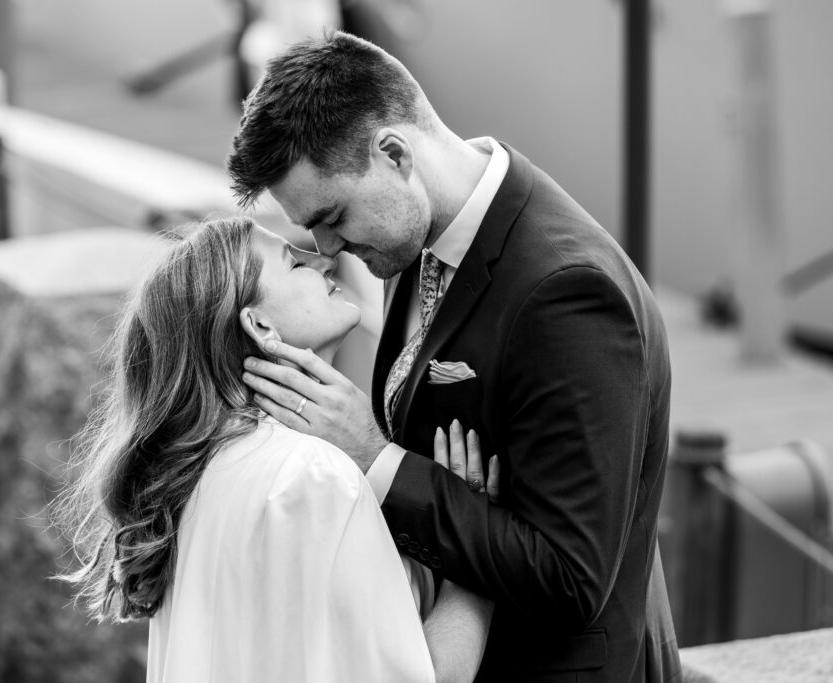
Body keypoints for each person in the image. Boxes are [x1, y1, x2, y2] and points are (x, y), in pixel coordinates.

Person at [230, 30, 682, 682]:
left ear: (393, 153)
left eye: (331, 216)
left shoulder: (568, 293)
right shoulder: (409, 239)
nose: (325, 248)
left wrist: (375, 458)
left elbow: (572, 579)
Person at [54, 217, 496, 683]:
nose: (323, 258)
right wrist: (478, 546)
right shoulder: (312, 475)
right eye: (293, 260)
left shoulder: (199, 475)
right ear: (260, 324)